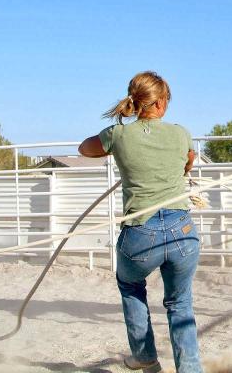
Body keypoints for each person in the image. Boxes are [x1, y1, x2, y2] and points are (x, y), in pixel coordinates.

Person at [79, 71, 202, 373]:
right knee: (180, 303)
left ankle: (145, 356)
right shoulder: (180, 132)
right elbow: (190, 158)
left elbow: (84, 149)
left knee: (131, 285)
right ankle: (190, 369)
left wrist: (117, 150)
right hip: (181, 231)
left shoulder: (117, 135)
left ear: (136, 102)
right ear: (160, 103)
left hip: (140, 234)